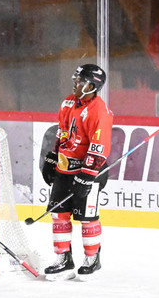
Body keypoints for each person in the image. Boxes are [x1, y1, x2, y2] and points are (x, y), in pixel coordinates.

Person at [41, 64, 112, 281]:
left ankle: (92, 259)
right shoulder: (68, 102)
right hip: (65, 170)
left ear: (92, 86)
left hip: (88, 172)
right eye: (76, 79)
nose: (75, 83)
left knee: (87, 217)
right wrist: (53, 157)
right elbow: (62, 132)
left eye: (80, 80)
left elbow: (99, 146)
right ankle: (63, 259)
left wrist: (88, 174)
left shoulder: (99, 111)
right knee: (58, 214)